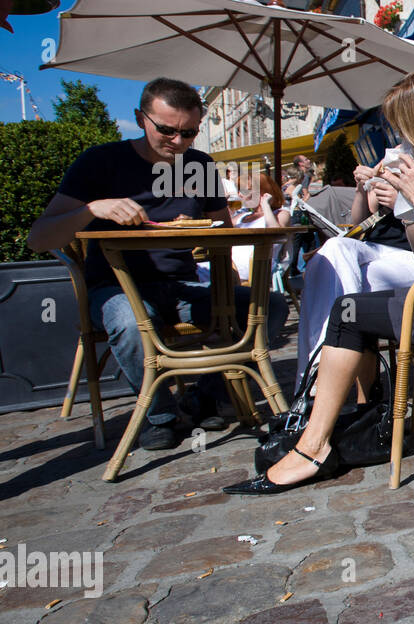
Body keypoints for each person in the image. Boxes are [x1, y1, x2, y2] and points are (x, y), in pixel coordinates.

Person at [225, 69, 414, 494]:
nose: (402, 138)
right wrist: (408, 208)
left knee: (349, 313)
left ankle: (313, 444)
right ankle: (349, 423)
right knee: (352, 306)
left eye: (405, 127)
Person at [27, 77, 288, 449]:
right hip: (115, 285)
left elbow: (222, 230)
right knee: (134, 322)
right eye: (167, 130)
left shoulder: (198, 165)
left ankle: (206, 396)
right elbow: (39, 238)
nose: (179, 142)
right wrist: (91, 208)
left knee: (270, 305)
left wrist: (225, 266)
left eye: (189, 133)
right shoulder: (100, 163)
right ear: (140, 117)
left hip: (183, 283)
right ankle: (160, 414)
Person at [292, 156, 414, 389]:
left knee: (336, 279)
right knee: (327, 256)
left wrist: (402, 205)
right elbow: (360, 220)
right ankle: (319, 371)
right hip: (376, 250)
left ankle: (319, 378)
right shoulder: (391, 161)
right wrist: (361, 189)